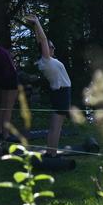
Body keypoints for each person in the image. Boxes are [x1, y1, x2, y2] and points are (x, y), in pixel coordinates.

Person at [24, 15, 71, 156]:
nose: (53, 48)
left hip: (59, 93)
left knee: (54, 127)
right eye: (51, 47)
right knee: (56, 127)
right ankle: (52, 154)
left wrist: (35, 27)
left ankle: (50, 152)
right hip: (62, 94)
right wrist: (38, 22)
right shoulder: (46, 60)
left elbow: (41, 40)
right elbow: (43, 41)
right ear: (46, 49)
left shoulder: (46, 61)